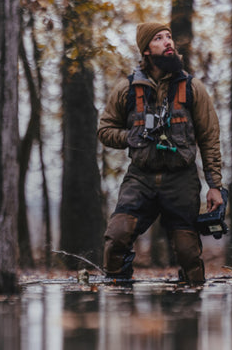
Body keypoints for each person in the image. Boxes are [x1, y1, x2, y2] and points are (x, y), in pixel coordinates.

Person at [96, 22, 224, 284]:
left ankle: (188, 310)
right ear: (146, 50)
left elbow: (209, 137)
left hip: (181, 178)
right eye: (158, 38)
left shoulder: (192, 88)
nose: (168, 42)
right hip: (140, 177)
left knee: (189, 255)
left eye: (169, 36)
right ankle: (120, 299)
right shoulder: (127, 89)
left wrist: (215, 186)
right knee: (117, 236)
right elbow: (105, 130)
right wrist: (129, 137)